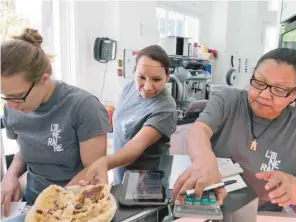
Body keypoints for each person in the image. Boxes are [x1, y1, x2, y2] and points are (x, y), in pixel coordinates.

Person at [172, 48, 296, 212]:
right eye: (259, 82)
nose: (264, 95)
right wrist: (204, 159)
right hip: (213, 209)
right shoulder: (228, 101)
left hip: (262, 215)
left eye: (279, 90)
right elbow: (200, 130)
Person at [1, 28, 111, 215]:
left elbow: (94, 170)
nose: (11, 106)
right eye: (5, 97)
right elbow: (26, 149)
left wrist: (58, 207)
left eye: (18, 97)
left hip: (75, 206)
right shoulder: (13, 107)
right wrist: (10, 176)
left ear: (44, 80)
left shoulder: (83, 107)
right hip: (32, 204)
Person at [81, 45, 177, 185]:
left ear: (167, 77)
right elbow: (121, 124)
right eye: (141, 77)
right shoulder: (129, 88)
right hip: (121, 175)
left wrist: (104, 163)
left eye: (156, 80)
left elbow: (134, 148)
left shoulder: (165, 108)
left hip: (147, 184)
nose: (147, 86)